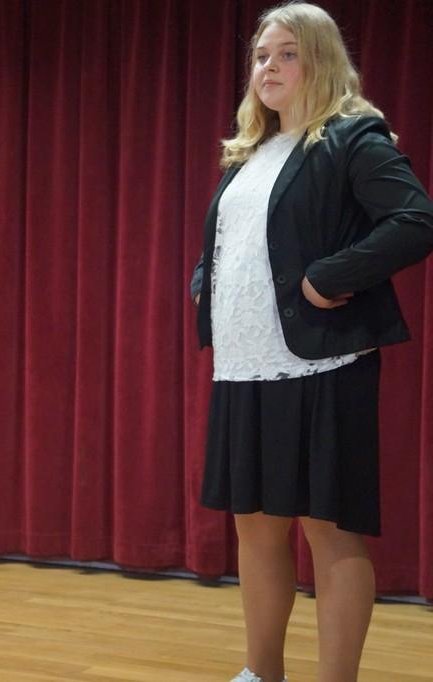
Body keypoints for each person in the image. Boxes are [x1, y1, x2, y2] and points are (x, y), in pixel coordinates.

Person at [189, 4, 433, 681]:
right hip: (244, 364)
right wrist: (205, 281)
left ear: (321, 60)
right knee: (255, 524)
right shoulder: (249, 153)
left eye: (287, 54)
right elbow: (233, 239)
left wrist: (329, 278)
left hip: (325, 359)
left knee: (329, 528)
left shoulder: (352, 136)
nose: (268, 66)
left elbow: (415, 219)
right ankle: (261, 672)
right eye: (262, 55)